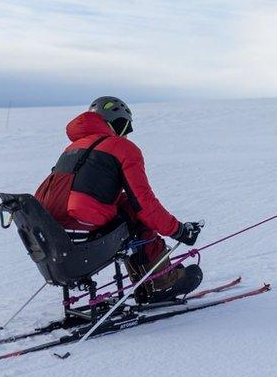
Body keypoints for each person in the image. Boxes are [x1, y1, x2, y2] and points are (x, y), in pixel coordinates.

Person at [34, 96, 203, 302]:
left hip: (55, 235)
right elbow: (144, 202)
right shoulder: (122, 148)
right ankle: (160, 281)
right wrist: (179, 230)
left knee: (125, 205)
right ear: (117, 124)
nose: (127, 135)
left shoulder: (72, 149)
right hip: (83, 237)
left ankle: (149, 279)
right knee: (136, 213)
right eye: (126, 127)